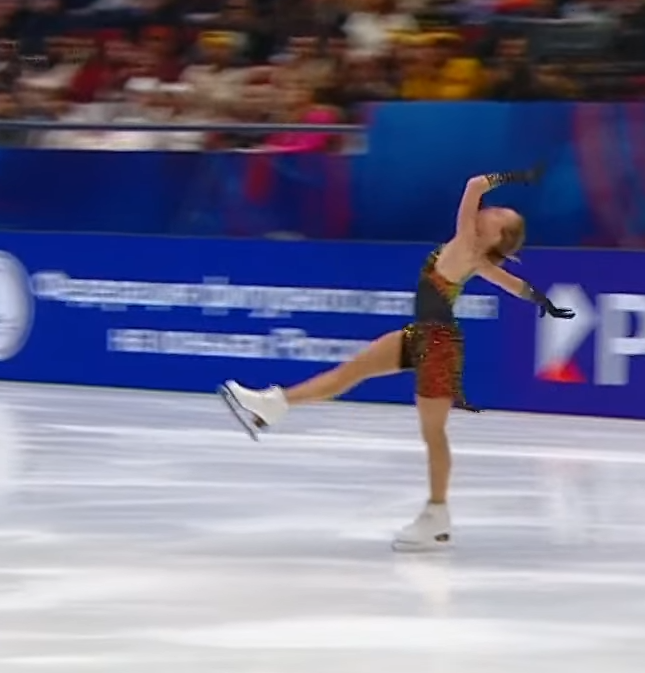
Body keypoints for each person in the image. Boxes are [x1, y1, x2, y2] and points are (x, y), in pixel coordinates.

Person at [220, 166, 576, 552]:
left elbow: (474, 184)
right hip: (422, 335)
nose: (490, 211)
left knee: (433, 433)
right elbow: (516, 285)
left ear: (495, 236)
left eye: (498, 215)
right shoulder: (479, 260)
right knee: (349, 373)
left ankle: (437, 516)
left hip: (437, 344)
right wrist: (545, 303)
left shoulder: (466, 242)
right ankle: (274, 404)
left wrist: (518, 175)